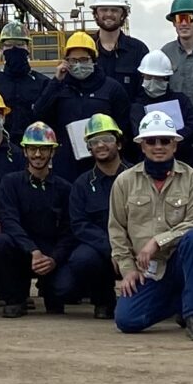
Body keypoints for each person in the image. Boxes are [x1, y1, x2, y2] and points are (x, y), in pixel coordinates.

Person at [109, 110, 193, 339]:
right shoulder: (124, 181)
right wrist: (127, 269)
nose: (158, 146)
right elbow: (117, 230)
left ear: (175, 145)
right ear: (142, 146)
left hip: (181, 263)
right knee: (126, 320)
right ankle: (180, 302)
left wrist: (157, 242)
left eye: (165, 141)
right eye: (151, 141)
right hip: (148, 272)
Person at [0, 122, 79, 316]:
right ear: (24, 152)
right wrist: (32, 250)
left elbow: (69, 231)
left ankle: (50, 287)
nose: (38, 155)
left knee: (61, 293)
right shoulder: (11, 182)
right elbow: (9, 221)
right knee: (0, 242)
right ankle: (15, 298)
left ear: (53, 152)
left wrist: (54, 259)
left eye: (43, 149)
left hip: (51, 255)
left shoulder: (64, 188)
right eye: (32, 149)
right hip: (22, 250)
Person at [36, 32, 134, 180]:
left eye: (84, 59)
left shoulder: (112, 88)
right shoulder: (58, 88)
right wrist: (56, 82)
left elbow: (124, 127)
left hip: (103, 164)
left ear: (94, 60)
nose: (79, 64)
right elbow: (39, 114)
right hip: (66, 166)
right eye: (73, 60)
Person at [62, 114, 130, 317]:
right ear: (88, 148)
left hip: (135, 245)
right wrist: (111, 249)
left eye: (107, 139)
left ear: (118, 143)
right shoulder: (82, 185)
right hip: (100, 249)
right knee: (81, 260)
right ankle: (103, 301)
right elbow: (80, 225)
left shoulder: (137, 177)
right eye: (94, 142)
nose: (100, 145)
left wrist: (125, 250)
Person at [133, 50, 193, 167]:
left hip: (184, 162)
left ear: (167, 78)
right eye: (149, 77)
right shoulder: (137, 106)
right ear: (142, 77)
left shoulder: (182, 101)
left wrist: (169, 139)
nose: (153, 81)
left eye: (158, 78)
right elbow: (138, 136)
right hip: (149, 165)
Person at [0, 19, 46, 142]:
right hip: (2, 148)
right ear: (1, 49)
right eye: (9, 45)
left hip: (35, 149)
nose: (14, 49)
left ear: (28, 48)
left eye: (20, 44)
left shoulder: (43, 83)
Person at [87, 0, 148, 88]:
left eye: (114, 10)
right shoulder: (85, 49)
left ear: (123, 14)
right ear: (96, 13)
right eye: (104, 10)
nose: (109, 14)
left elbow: (145, 91)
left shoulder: (138, 50)